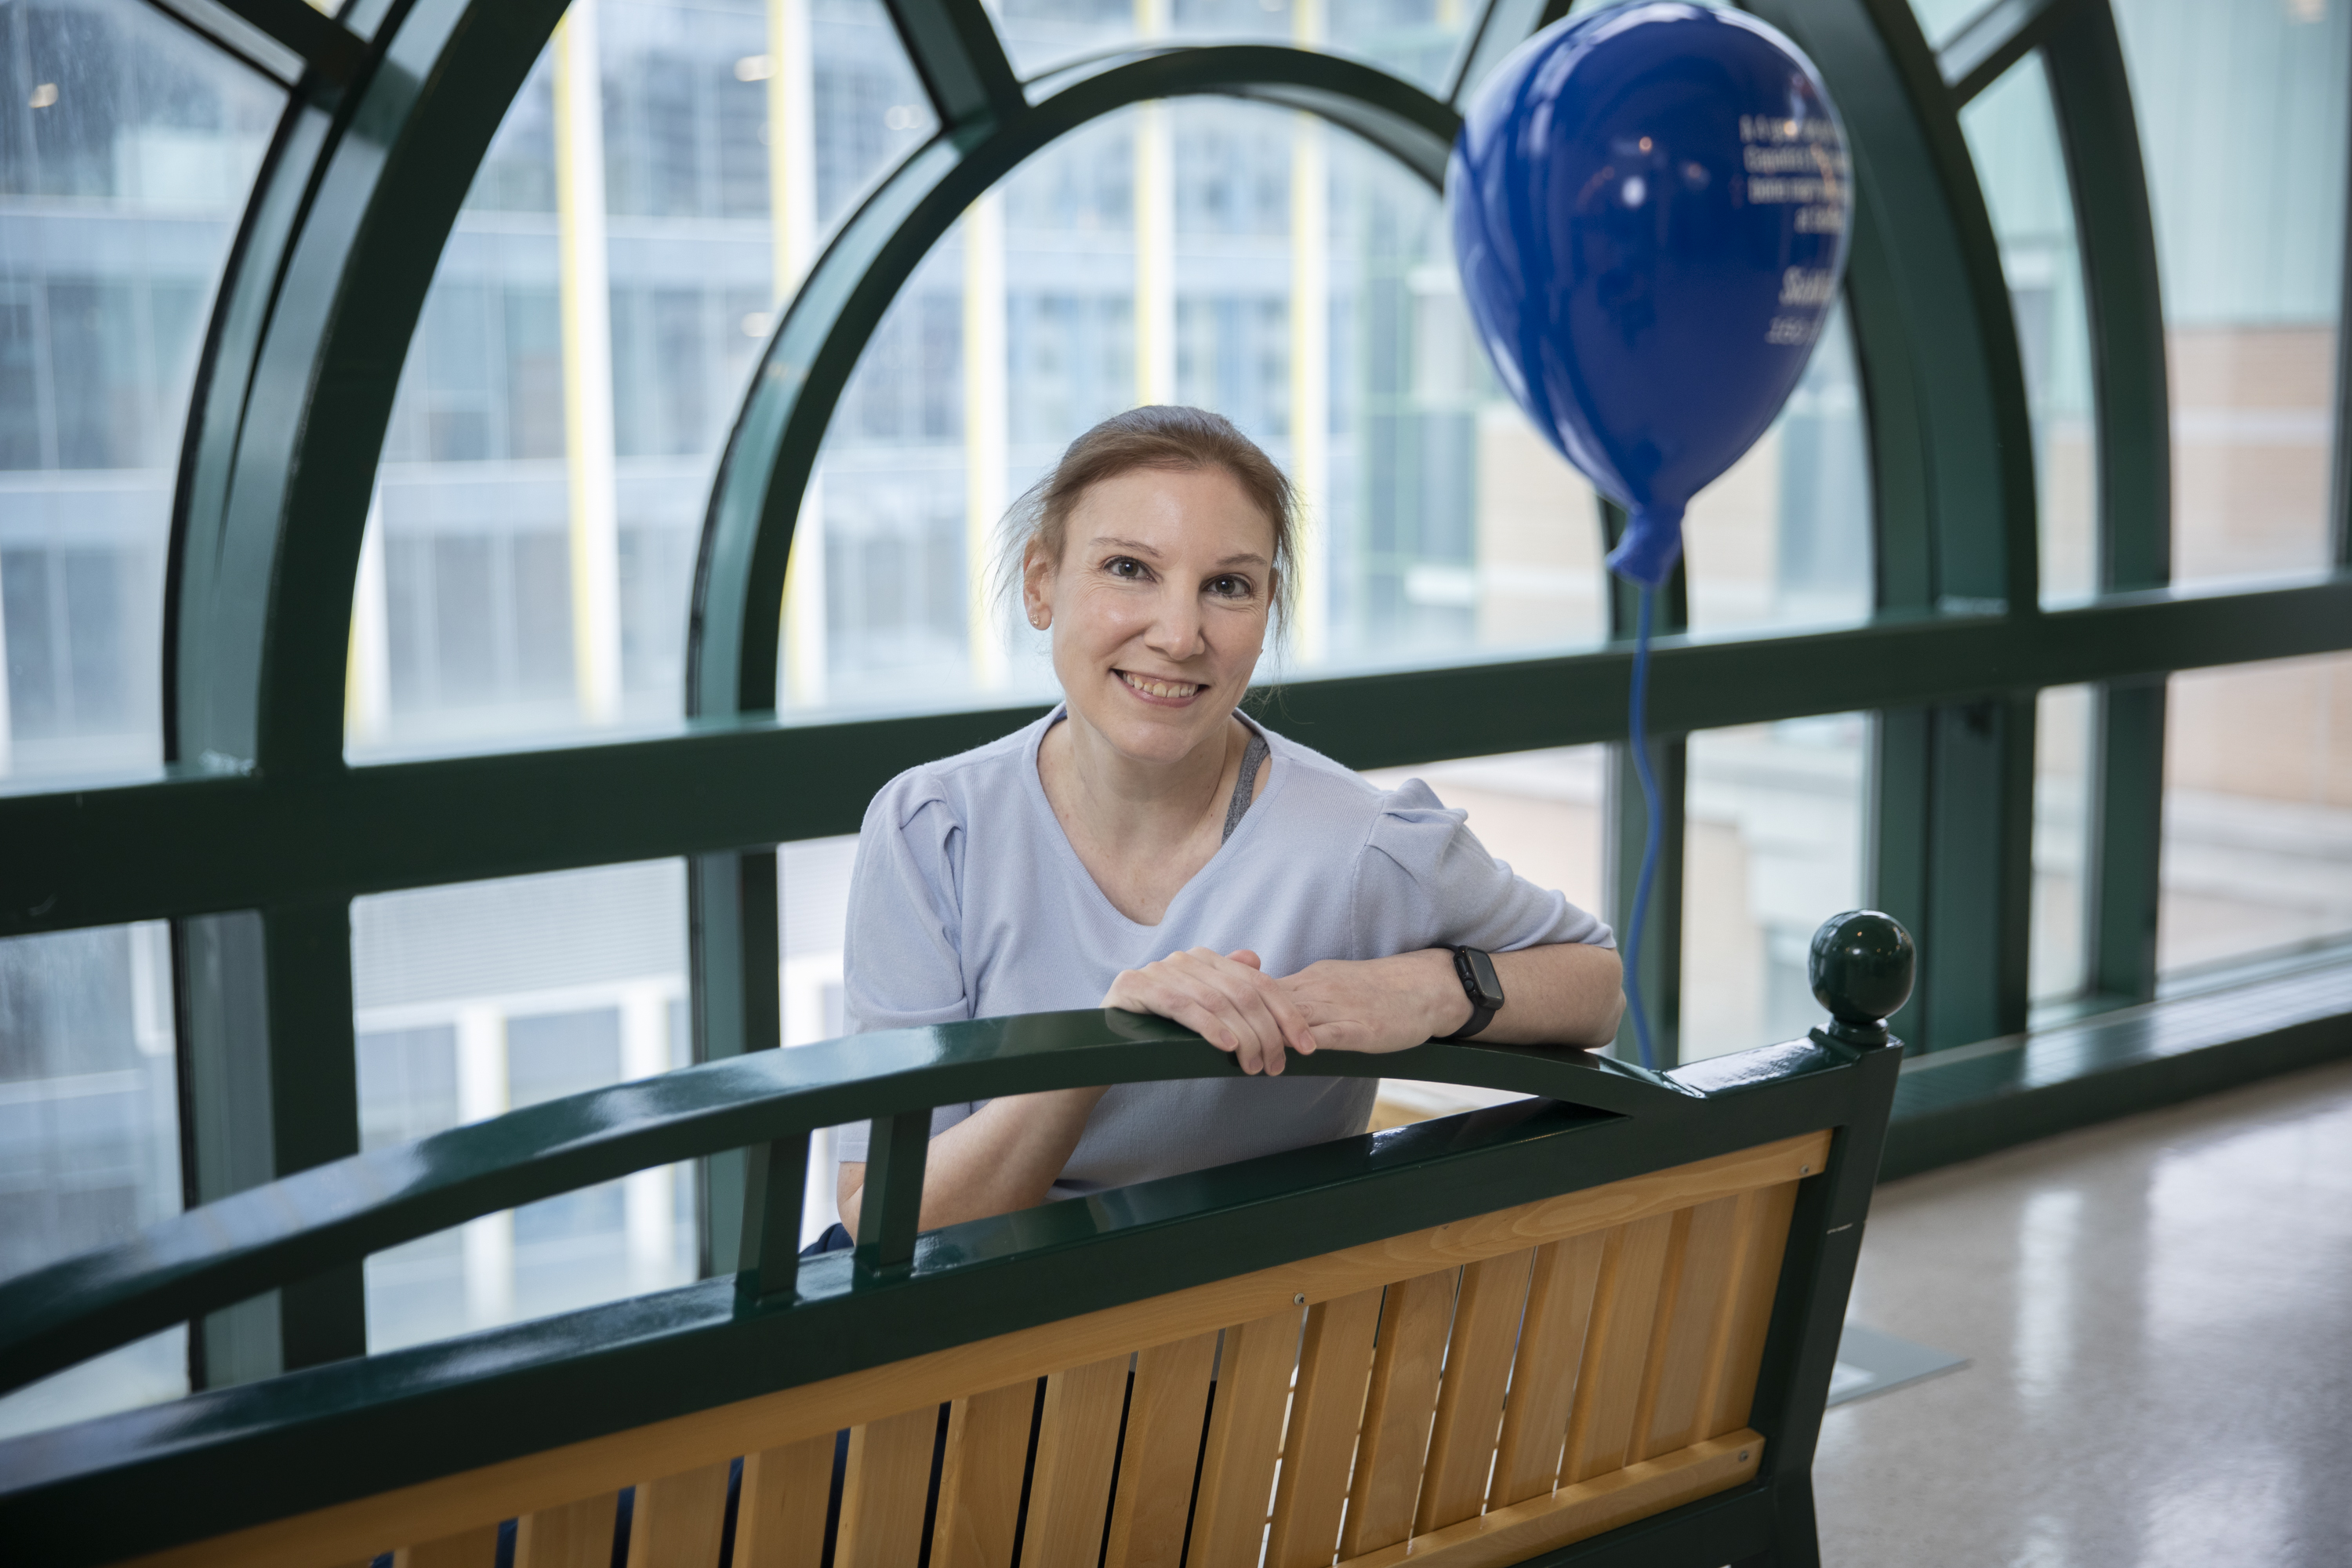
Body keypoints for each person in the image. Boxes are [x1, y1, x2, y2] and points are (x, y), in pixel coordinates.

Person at [829, 406, 1623, 1242]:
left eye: (1228, 585)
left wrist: (1431, 988)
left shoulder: (1365, 844)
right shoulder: (935, 828)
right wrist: (1099, 1049)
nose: (1178, 635)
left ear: (1267, 606)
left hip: (1198, 1353)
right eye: (1129, 568)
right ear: (1040, 583)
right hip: (949, 1334)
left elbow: (1595, 983)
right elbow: (885, 1221)